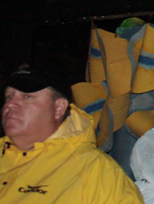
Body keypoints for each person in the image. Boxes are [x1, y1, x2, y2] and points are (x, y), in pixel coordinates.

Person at [1, 65, 143, 203]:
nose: (10, 104)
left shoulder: (94, 170)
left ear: (59, 108)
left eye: (27, 96)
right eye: (9, 96)